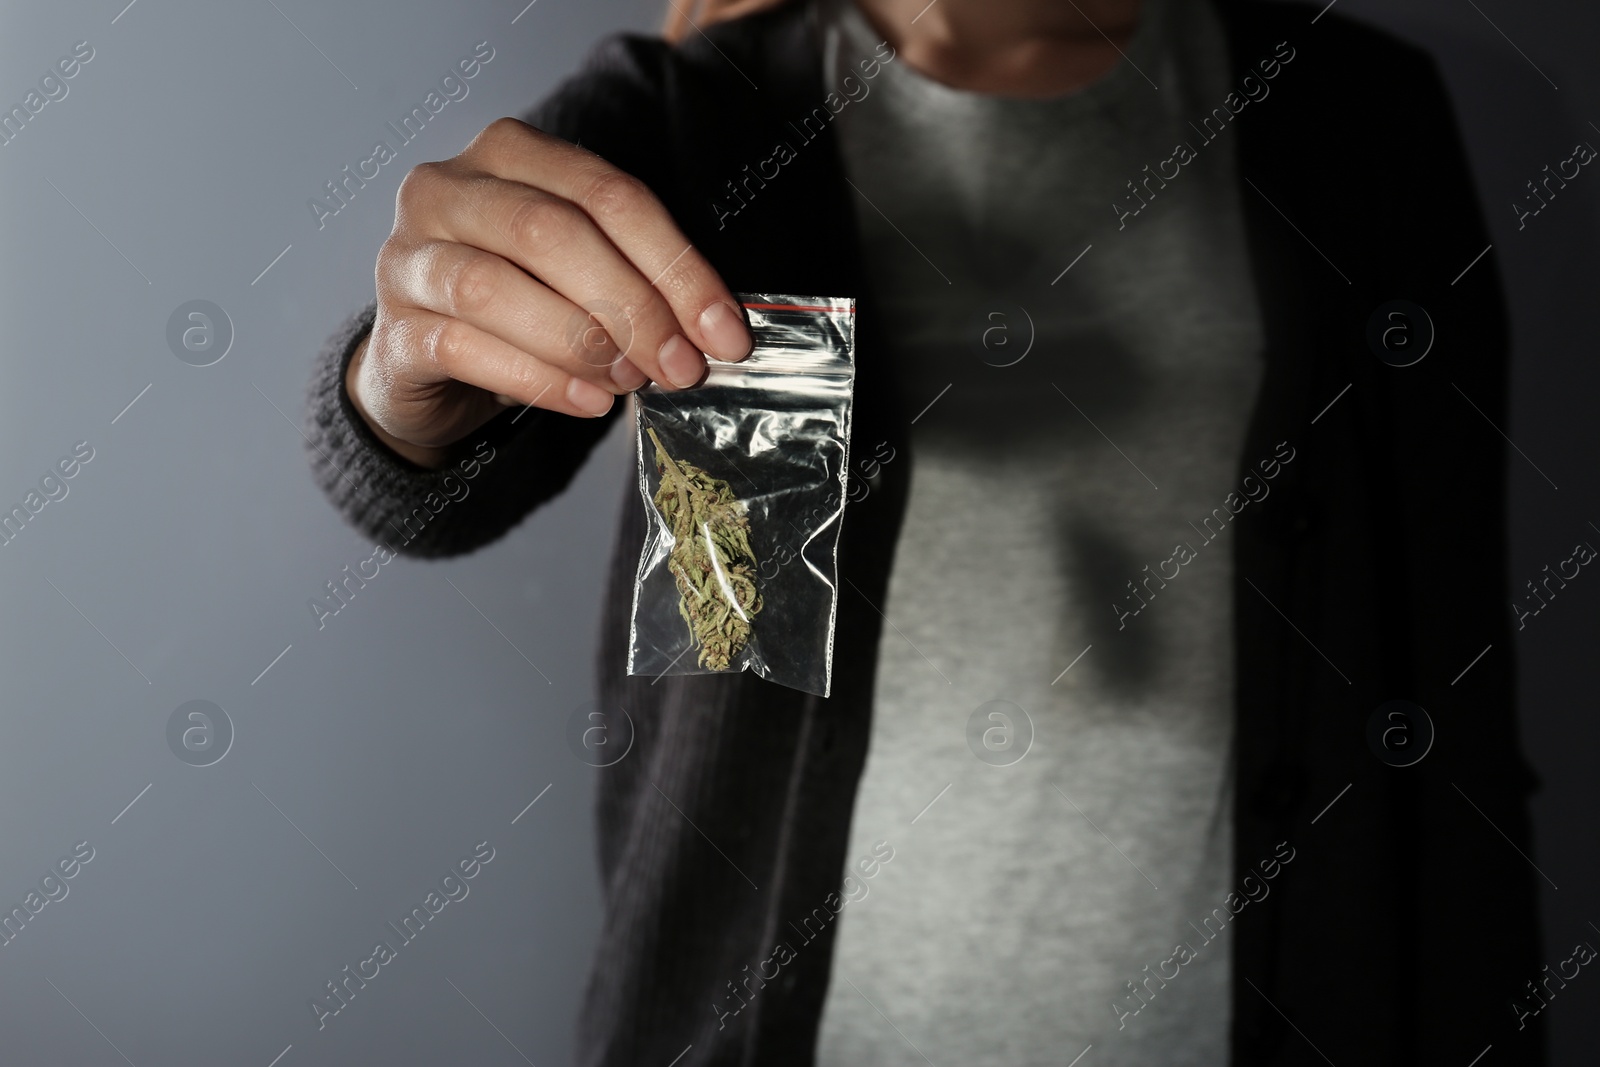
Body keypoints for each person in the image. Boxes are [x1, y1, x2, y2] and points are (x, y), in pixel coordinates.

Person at [303, 0, 1547, 1063]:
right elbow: (437, 485)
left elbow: (1445, 676)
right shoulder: (697, 112)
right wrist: (404, 383)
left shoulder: (1349, 109)